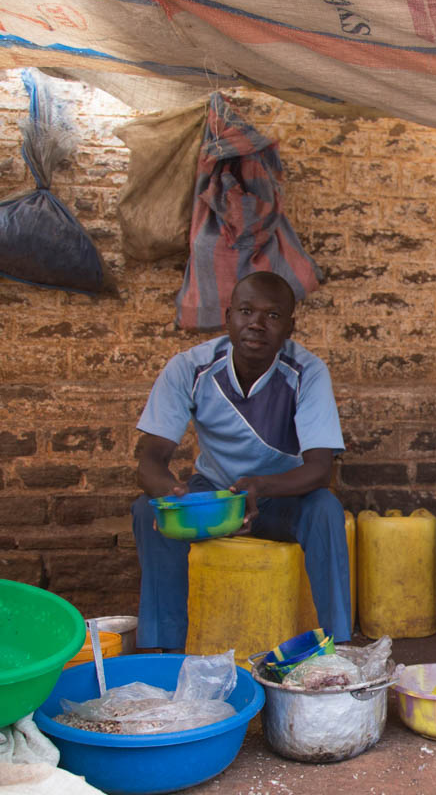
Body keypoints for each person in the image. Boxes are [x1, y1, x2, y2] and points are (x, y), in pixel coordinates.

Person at [131, 271, 351, 651]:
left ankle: (339, 645)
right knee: (147, 512)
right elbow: (151, 458)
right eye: (246, 311)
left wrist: (262, 485)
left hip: (281, 499)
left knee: (325, 509)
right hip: (214, 502)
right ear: (228, 316)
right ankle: (163, 648)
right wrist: (168, 492)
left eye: (273, 316)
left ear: (290, 327)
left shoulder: (307, 372)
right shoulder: (190, 368)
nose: (257, 324)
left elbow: (319, 469)